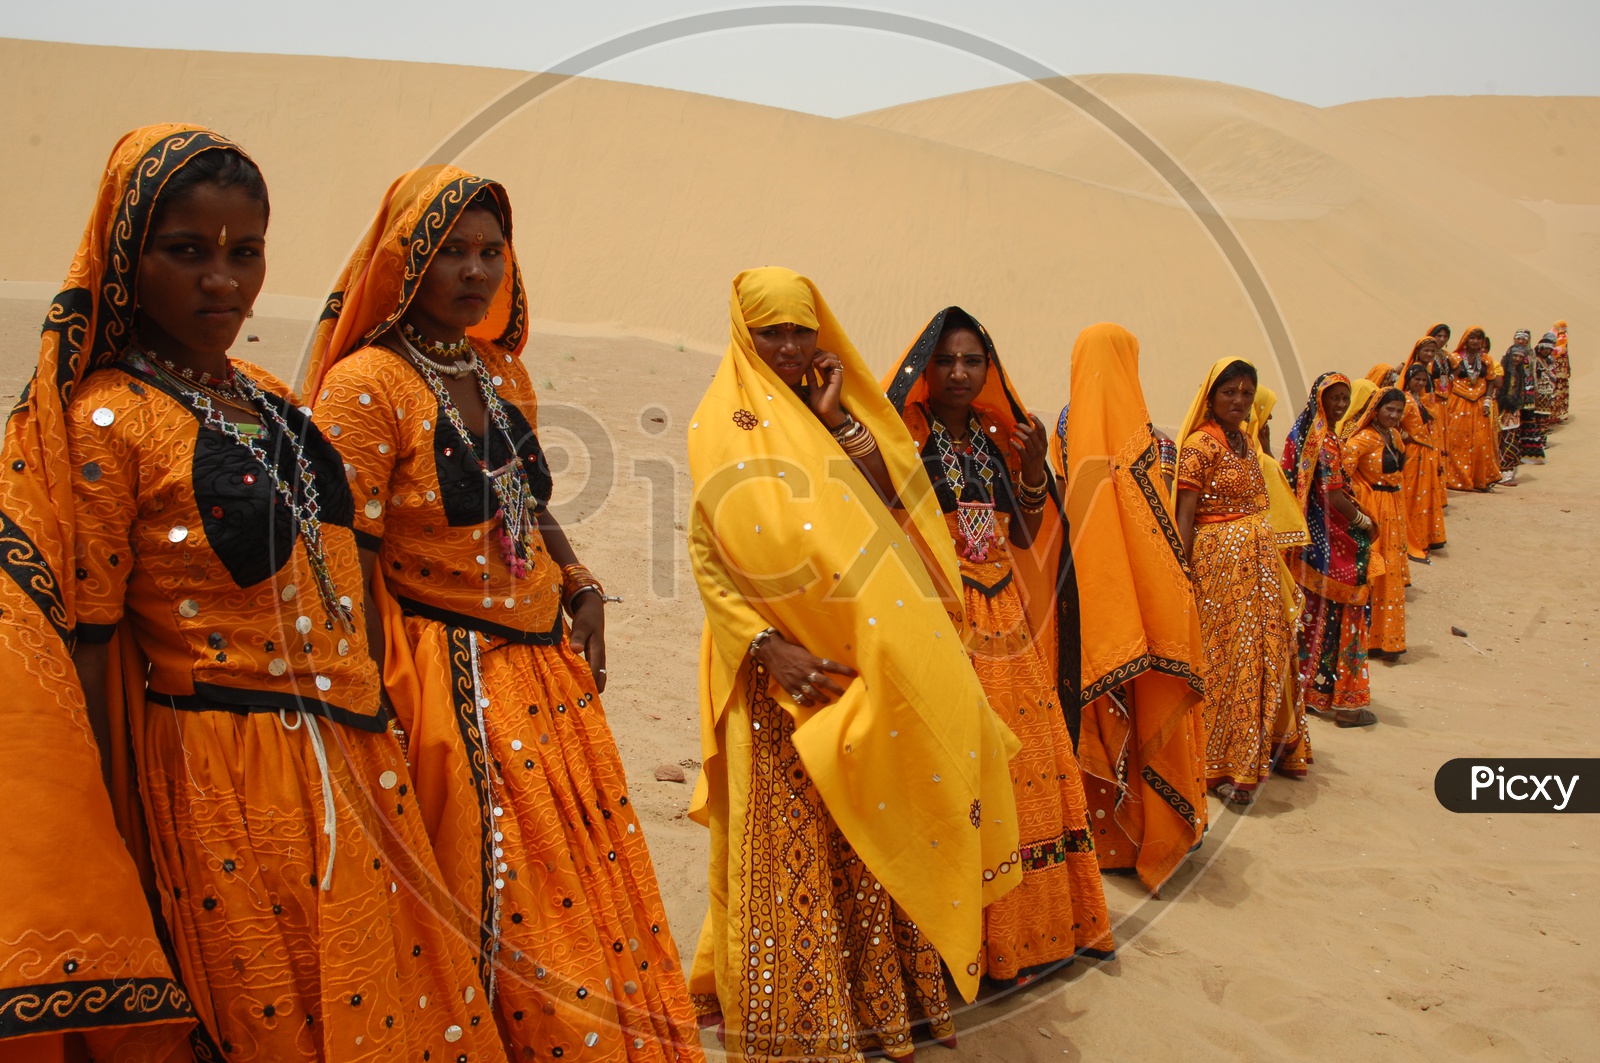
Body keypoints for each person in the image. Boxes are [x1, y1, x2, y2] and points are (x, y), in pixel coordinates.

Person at [40, 126, 502, 1061]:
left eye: (244, 253)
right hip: (220, 770)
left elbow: (342, 569)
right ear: (129, 258)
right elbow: (91, 638)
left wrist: (379, 713)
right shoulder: (105, 419)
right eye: (187, 253)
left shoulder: (267, 395)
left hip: (347, 757)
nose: (223, 282)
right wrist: (108, 824)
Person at [303, 166, 703, 1062]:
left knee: (576, 877)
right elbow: (345, 556)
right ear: (406, 261)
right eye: (451, 252)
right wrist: (373, 705)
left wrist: (581, 581)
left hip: (542, 669)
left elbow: (521, 498)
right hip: (448, 678)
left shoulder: (499, 370)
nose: (475, 272)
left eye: (491, 252)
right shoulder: (367, 386)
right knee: (502, 891)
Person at [686, 268, 1024, 1060]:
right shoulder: (719, 421)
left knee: (869, 818)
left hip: (860, 656)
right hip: (779, 668)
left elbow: (892, 510)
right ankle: (793, 1014)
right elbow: (709, 554)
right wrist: (770, 650)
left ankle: (877, 997)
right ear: (745, 334)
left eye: (803, 330)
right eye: (773, 331)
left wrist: (836, 420)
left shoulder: (835, 411)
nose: (792, 346)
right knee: (788, 832)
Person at [884, 308, 1113, 972]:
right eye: (947, 360)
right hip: (937, 609)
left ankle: (1025, 930)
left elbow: (1023, 531)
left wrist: (1036, 467)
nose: (960, 372)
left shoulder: (993, 439)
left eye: (972, 361)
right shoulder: (906, 437)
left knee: (1021, 760)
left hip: (1003, 613)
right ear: (927, 368)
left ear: (989, 371)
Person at [1049, 324, 1207, 892]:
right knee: (1146, 699)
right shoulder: (1151, 435)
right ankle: (1150, 828)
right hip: (1147, 590)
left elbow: (1065, 498)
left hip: (1090, 586)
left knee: (1096, 701)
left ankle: (1107, 835)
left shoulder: (1066, 426)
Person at [1173, 359, 1308, 805]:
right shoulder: (1199, 445)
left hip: (1257, 564)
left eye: (1246, 393)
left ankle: (1258, 748)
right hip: (1218, 567)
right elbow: (1185, 515)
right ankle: (1222, 762)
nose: (1238, 401)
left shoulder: (1247, 443)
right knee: (1226, 657)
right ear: (1211, 396)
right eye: (1229, 392)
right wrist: (1183, 570)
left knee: (1263, 651)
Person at [1283, 373, 1379, 727]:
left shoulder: (1303, 434)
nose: (1339, 405)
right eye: (1334, 398)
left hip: (1310, 544)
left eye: (1344, 398)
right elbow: (1335, 496)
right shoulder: (1325, 443)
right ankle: (1346, 702)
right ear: (1319, 399)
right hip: (1334, 542)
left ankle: (1309, 692)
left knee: (1313, 616)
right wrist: (1365, 524)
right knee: (1344, 616)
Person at [1342, 388, 1409, 659]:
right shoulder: (1363, 439)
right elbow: (1342, 473)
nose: (1394, 415)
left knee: (1390, 570)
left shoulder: (1393, 436)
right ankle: (1367, 638)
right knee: (1374, 570)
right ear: (1375, 409)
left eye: (1398, 411)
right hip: (1374, 508)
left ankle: (1386, 638)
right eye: (1389, 409)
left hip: (1393, 507)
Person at [1398, 359, 1448, 563]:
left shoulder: (1420, 399)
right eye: (1416, 379)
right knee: (1410, 495)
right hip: (1412, 454)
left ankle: (1422, 536)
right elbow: (1394, 423)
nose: (1419, 383)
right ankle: (1408, 537)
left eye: (1423, 379)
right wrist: (1405, 436)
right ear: (1408, 380)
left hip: (1424, 454)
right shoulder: (1406, 400)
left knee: (1423, 494)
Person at [1444, 326, 1501, 491]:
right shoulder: (1455, 358)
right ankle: (1457, 480)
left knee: (1480, 441)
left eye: (1479, 339)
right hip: (1457, 402)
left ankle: (1480, 480)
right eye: (1472, 338)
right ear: (1465, 340)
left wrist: (1488, 401)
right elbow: (1447, 379)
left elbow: (1491, 380)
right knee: (1457, 441)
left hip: (1479, 404)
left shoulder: (1486, 360)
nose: (1475, 342)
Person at [1495, 332, 1534, 486]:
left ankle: (1508, 473)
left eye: (1520, 356)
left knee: (1511, 441)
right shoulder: (1502, 371)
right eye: (1515, 356)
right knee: (1501, 441)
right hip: (1502, 411)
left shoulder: (1520, 373)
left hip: (1514, 413)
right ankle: (1501, 473)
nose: (1517, 359)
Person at [1524, 333, 1557, 463]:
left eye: (1549, 349)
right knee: (1536, 419)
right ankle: (1538, 442)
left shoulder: (1549, 360)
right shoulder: (1535, 360)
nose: (1547, 351)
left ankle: (1543, 441)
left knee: (1544, 419)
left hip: (1547, 393)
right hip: (1537, 393)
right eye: (1545, 349)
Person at [1550, 320, 1571, 424]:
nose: (1562, 331)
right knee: (1555, 393)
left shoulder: (1564, 338)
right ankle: (1552, 416)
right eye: (1560, 328)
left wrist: (1568, 367)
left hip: (1563, 371)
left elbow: (1566, 354)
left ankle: (1558, 415)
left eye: (1564, 329)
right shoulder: (1551, 338)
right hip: (1554, 371)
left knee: (1561, 393)